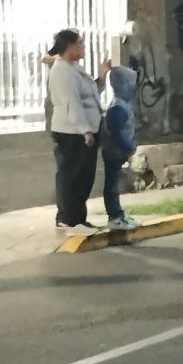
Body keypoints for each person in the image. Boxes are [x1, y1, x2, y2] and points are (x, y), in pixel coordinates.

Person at [48, 29, 108, 231]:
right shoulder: (62, 70)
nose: (83, 47)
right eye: (80, 43)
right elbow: (71, 103)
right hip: (71, 132)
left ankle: (77, 218)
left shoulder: (74, 67)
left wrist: (101, 77)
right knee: (71, 175)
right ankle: (68, 218)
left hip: (85, 128)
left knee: (84, 176)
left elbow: (88, 96)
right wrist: (85, 131)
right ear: (69, 46)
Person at [101, 66, 140, 231]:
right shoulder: (117, 107)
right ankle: (114, 216)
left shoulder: (122, 104)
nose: (133, 88)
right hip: (113, 152)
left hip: (117, 152)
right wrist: (127, 146)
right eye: (129, 84)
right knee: (111, 185)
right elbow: (115, 132)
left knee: (114, 183)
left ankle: (118, 214)